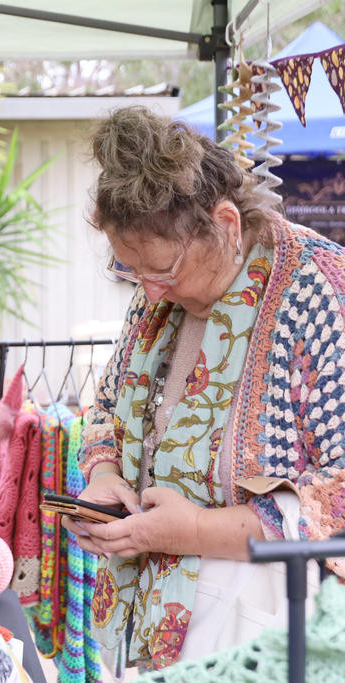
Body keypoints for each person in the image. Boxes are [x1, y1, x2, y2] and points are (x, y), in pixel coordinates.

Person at [65, 106, 345, 672]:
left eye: (163, 271)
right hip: (151, 615)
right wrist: (103, 478)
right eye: (130, 272)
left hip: (270, 621)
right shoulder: (153, 298)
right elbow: (102, 408)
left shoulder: (321, 290)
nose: (152, 293)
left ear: (226, 222)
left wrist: (194, 530)